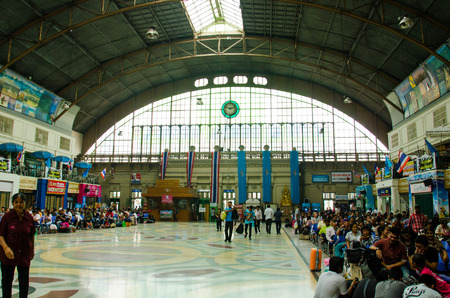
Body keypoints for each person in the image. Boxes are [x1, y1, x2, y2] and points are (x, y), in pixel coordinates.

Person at [0, 193, 35, 298]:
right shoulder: (7, 217)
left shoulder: (29, 217)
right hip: (8, 254)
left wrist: (32, 250)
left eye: (21, 202)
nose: (19, 204)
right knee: (7, 281)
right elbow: (0, 235)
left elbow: (31, 235)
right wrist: (6, 248)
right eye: (16, 202)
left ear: (25, 203)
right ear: (12, 203)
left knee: (24, 282)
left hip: (24, 254)